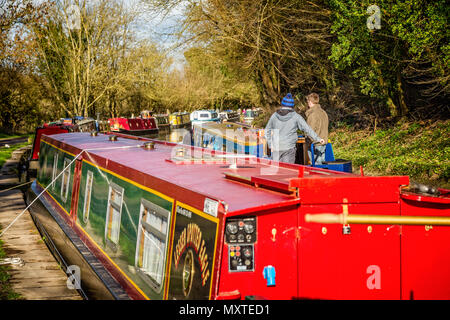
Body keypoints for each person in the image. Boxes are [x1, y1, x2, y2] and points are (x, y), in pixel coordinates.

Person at [265, 93, 324, 163]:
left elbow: (267, 131)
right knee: (288, 170)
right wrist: (318, 139)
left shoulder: (274, 116)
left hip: (276, 148)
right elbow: (307, 129)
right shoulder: (296, 116)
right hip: (289, 148)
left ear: (282, 104)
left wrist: (270, 144)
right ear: (292, 106)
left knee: (277, 171)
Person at [305, 93, 328, 165]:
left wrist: (307, 140)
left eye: (308, 102)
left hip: (315, 143)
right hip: (323, 142)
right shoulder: (323, 112)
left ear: (310, 102)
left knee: (316, 166)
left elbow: (310, 131)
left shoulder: (312, 114)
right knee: (322, 165)